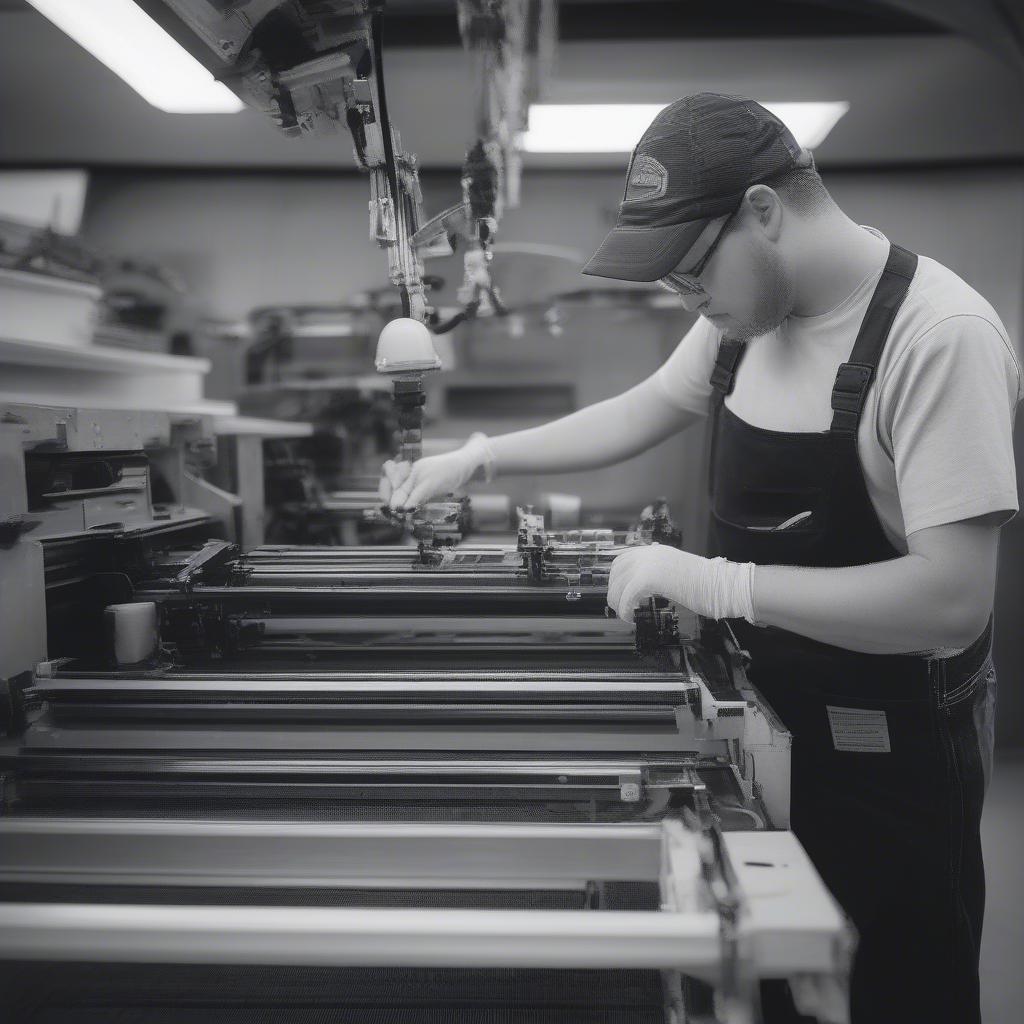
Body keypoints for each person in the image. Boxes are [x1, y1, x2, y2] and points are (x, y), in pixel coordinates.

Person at [378, 94, 1019, 1023]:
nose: (691, 299)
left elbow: (951, 600)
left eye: (690, 274)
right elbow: (641, 409)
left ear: (762, 211)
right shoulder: (739, 319)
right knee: (765, 982)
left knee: (893, 987)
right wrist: (482, 456)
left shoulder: (936, 339)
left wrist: (718, 582)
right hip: (764, 718)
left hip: (888, 754)